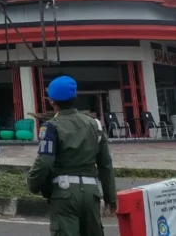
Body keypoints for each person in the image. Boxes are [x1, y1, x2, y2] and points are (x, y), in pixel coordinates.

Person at [27, 76, 116, 236]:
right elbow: (105, 164)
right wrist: (111, 197)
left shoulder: (51, 127)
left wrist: (33, 184)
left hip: (64, 194)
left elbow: (45, 161)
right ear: (75, 97)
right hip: (91, 192)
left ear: (52, 101)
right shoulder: (94, 124)